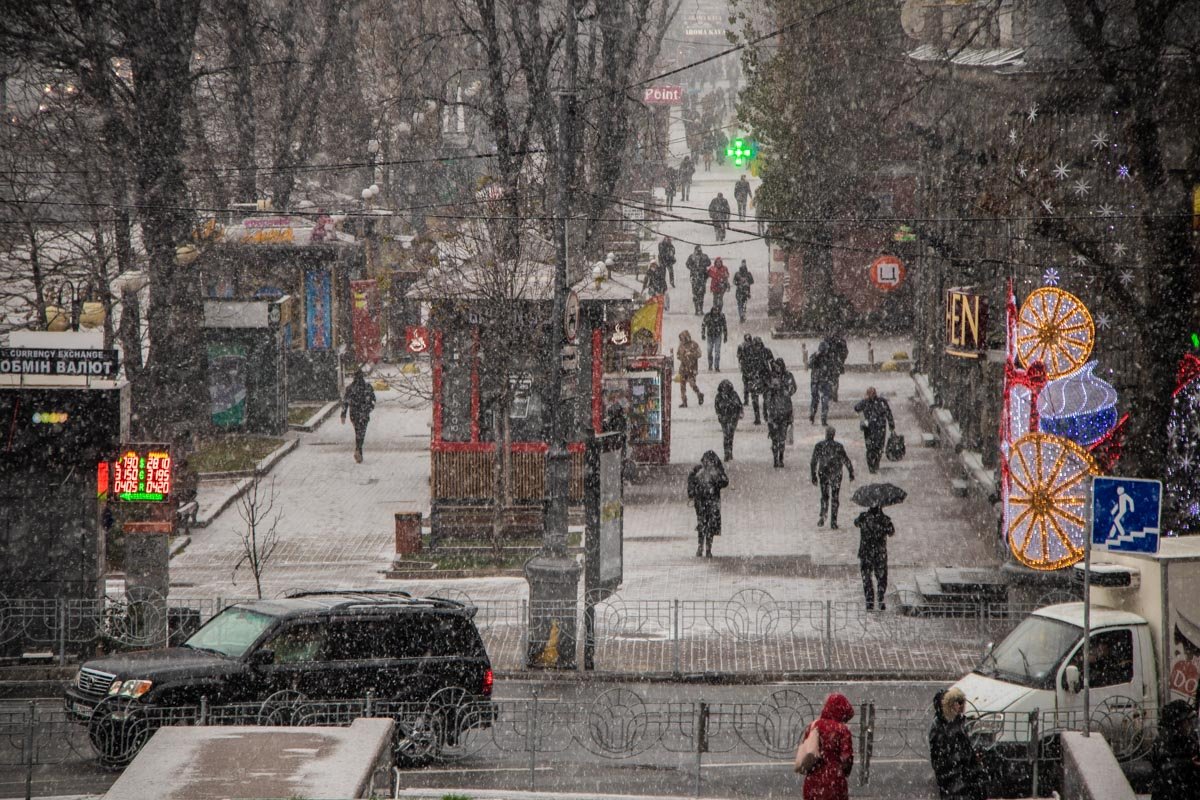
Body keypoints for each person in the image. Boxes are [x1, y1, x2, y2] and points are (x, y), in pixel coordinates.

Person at [928, 688, 986, 800]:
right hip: (955, 781)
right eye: (957, 702)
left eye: (961, 702)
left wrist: (973, 762)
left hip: (964, 779)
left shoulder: (957, 722)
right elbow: (940, 758)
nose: (960, 706)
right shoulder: (940, 727)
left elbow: (965, 748)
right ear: (948, 705)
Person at [800, 693, 855, 800]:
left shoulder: (813, 726)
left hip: (813, 780)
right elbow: (846, 757)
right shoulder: (842, 730)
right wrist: (844, 771)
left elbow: (806, 749)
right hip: (834, 781)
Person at [1149, 700, 1200, 800]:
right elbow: (1166, 768)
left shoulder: (1188, 737)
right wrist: (1189, 763)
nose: (1191, 724)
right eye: (1188, 721)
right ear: (1178, 722)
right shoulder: (1166, 740)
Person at [687, 450, 728, 557]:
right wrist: (692, 492)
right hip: (702, 501)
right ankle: (701, 547)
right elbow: (691, 482)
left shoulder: (717, 471)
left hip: (712, 501)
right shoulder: (698, 470)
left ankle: (708, 548)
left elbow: (725, 482)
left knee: (710, 524)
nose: (707, 463)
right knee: (702, 523)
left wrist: (717, 478)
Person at [811, 426, 854, 528]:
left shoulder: (819, 446)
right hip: (836, 473)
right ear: (834, 435)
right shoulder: (839, 446)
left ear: (826, 434)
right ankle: (833, 522)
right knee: (835, 497)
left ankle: (823, 514)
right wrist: (851, 472)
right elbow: (846, 460)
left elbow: (813, 462)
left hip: (823, 472)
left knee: (824, 495)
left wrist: (813, 475)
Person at [854, 505, 895, 611]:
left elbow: (856, 523)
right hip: (879, 554)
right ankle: (880, 598)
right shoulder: (884, 519)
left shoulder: (863, 517)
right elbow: (891, 532)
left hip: (866, 553)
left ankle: (869, 601)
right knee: (881, 577)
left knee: (866, 578)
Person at [854, 387, 895, 474]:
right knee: (874, 448)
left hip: (874, 429)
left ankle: (873, 466)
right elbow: (857, 408)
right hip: (875, 429)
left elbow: (888, 413)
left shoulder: (871, 402)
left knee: (874, 448)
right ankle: (874, 465)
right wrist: (891, 425)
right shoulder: (880, 402)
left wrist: (891, 425)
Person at [341, 369, 376, 463]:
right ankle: (358, 449)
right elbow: (373, 400)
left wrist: (343, 415)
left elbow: (345, 402)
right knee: (362, 432)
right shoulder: (368, 387)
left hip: (354, 414)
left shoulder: (350, 388)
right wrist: (369, 408)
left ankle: (358, 450)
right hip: (364, 413)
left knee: (358, 431)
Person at [764, 360, 794, 468]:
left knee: (782, 439)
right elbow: (766, 398)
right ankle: (775, 459)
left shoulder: (788, 376)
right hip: (774, 415)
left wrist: (786, 389)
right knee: (774, 439)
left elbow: (792, 389)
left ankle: (780, 457)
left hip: (784, 414)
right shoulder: (771, 378)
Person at [808, 341, 837, 426]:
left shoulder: (829, 358)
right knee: (815, 399)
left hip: (825, 381)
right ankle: (812, 415)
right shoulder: (815, 356)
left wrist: (832, 380)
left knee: (825, 401)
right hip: (816, 381)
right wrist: (816, 356)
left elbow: (832, 369)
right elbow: (809, 364)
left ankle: (823, 418)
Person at [736, 335, 764, 424]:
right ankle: (758, 417)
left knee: (763, 398)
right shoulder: (750, 353)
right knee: (755, 397)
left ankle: (762, 415)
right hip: (754, 377)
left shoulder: (763, 352)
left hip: (759, 377)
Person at [714, 379, 744, 462]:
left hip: (733, 417)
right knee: (726, 435)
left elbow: (739, 405)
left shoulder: (733, 395)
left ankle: (729, 452)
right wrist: (720, 415)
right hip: (724, 418)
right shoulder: (719, 396)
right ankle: (727, 453)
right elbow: (717, 408)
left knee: (730, 435)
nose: (725, 389)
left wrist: (739, 413)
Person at [676, 331, 703, 407]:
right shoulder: (681, 345)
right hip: (683, 368)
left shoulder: (694, 344)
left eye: (683, 338)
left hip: (692, 368)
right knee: (682, 385)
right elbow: (678, 355)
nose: (682, 340)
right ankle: (684, 401)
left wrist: (691, 354)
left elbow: (699, 354)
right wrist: (682, 356)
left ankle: (699, 394)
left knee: (692, 384)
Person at [822, 331, 849, 401]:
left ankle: (831, 392)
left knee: (830, 378)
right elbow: (845, 352)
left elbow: (823, 352)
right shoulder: (841, 342)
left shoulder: (827, 341)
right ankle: (834, 392)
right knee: (835, 379)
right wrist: (841, 361)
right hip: (836, 363)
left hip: (830, 364)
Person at [701, 303, 728, 372]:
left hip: (718, 336)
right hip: (710, 335)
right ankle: (710, 365)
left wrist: (725, 336)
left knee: (717, 351)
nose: (715, 312)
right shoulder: (708, 316)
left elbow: (724, 326)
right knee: (709, 351)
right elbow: (703, 325)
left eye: (716, 310)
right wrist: (703, 334)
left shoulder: (721, 316)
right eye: (714, 310)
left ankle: (716, 366)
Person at [686, 245, 711, 315]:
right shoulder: (691, 257)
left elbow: (709, 263)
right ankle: (696, 309)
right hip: (694, 277)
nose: (698, 251)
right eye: (697, 250)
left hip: (702, 277)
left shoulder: (704, 256)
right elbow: (687, 264)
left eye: (699, 250)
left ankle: (701, 309)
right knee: (695, 294)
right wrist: (693, 268)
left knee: (701, 294)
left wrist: (703, 266)